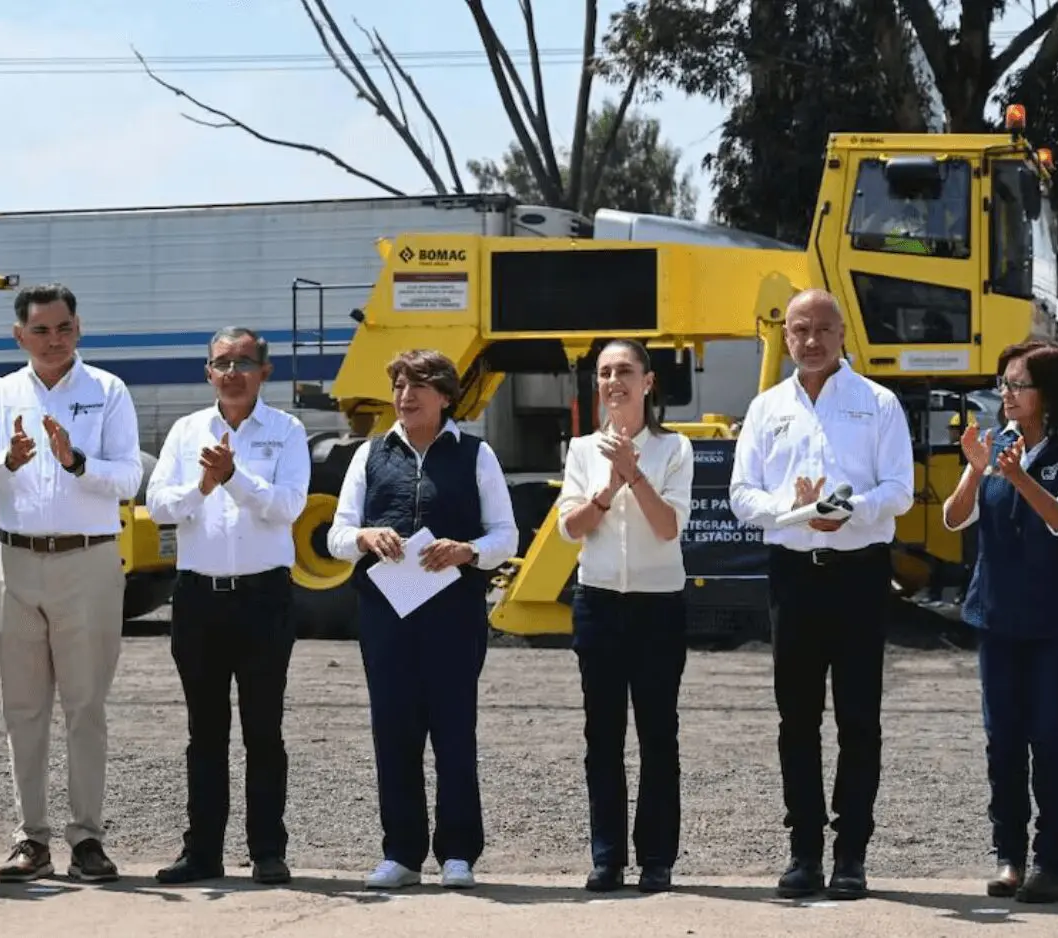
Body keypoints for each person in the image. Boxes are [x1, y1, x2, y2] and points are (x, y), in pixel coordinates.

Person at [728, 288, 915, 900]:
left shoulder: (878, 404)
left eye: (822, 330)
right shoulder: (766, 408)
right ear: (786, 338)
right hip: (794, 576)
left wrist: (848, 510)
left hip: (859, 573)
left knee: (859, 718)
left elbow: (899, 491)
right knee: (797, 719)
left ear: (843, 335)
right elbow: (742, 495)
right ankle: (803, 851)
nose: (810, 341)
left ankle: (852, 854)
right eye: (799, 330)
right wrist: (795, 510)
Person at [0, 282, 144, 884]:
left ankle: (87, 837)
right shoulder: (0, 393)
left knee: (85, 707)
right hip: (14, 562)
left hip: (88, 563)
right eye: (40, 330)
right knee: (23, 709)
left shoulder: (107, 391)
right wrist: (7, 461)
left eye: (63, 327)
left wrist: (76, 464)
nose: (53, 339)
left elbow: (131, 478)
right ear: (20, 336)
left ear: (78, 328)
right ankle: (30, 839)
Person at [326, 348, 519, 891]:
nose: (404, 397)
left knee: (454, 731)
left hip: (454, 617)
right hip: (386, 616)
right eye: (398, 386)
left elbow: (506, 537)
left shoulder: (477, 456)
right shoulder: (369, 455)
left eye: (417, 386)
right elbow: (336, 536)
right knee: (393, 731)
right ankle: (402, 854)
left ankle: (458, 853)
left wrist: (467, 550)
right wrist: (364, 537)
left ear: (445, 396)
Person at [145, 327, 310, 886]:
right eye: (223, 362)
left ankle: (267, 850)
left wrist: (236, 478)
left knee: (264, 731)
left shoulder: (286, 431)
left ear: (265, 371)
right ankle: (203, 853)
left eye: (244, 362)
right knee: (205, 733)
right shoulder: (188, 430)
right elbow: (158, 507)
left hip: (264, 598)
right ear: (207, 372)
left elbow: (287, 506)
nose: (233, 371)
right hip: (199, 599)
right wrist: (204, 487)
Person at [942, 339, 1058, 903]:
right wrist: (974, 471)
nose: (1006, 395)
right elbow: (954, 517)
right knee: (1002, 742)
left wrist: (1018, 479)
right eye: (1003, 384)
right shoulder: (997, 445)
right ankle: (1008, 855)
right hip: (999, 616)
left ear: (1048, 392)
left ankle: (1051, 861)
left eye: (1018, 385)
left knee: (1051, 739)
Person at [554, 339, 695, 894]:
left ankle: (657, 859)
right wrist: (610, 486)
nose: (615, 381)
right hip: (599, 604)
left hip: (658, 605)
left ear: (648, 382)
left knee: (659, 734)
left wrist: (635, 474)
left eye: (625, 371)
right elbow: (572, 527)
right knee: (603, 735)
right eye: (605, 372)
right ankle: (607, 856)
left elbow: (668, 527)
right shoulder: (582, 449)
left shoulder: (674, 448)